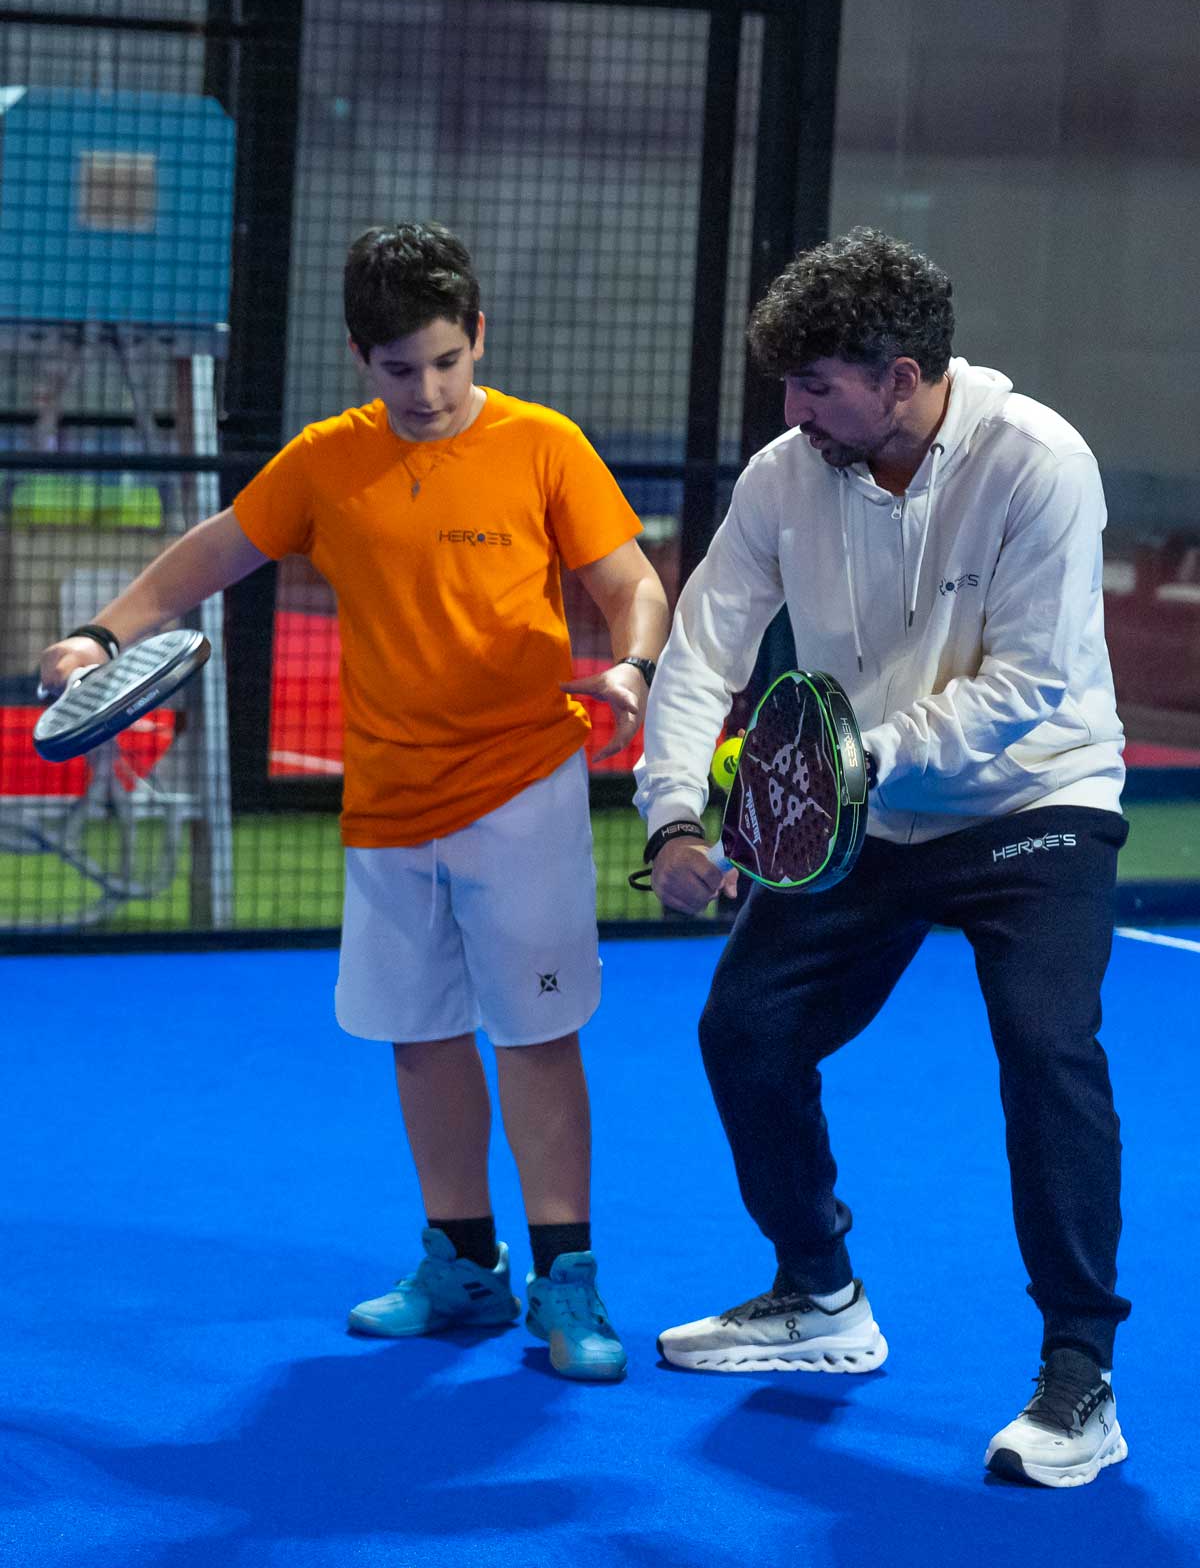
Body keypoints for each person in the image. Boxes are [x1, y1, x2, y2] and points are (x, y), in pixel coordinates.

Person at [40, 220, 669, 1384]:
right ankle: (463, 1266)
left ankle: (568, 1277)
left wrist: (631, 667)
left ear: (478, 335)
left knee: (537, 1036)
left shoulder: (545, 445)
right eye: (398, 369)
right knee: (420, 1035)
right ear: (359, 359)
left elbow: (630, 581)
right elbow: (211, 554)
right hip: (386, 801)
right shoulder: (325, 461)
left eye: (446, 361)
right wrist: (100, 635)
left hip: (523, 786)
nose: (427, 390)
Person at [634, 227, 1131, 1484]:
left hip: (1034, 799)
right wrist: (676, 816)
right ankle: (820, 1297)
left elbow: (1031, 682)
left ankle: (1080, 1375)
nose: (794, 414)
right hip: (868, 816)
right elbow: (702, 649)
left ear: (901, 378)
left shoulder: (1041, 464)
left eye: (817, 388)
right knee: (745, 1032)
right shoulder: (785, 475)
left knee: (1047, 1049)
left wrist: (848, 759)